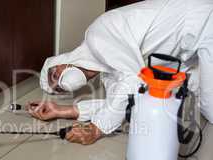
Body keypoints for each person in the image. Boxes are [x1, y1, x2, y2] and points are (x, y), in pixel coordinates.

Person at [26, 0, 213, 145]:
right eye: (58, 89)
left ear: (61, 61)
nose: (60, 83)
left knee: (209, 109)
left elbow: (133, 81)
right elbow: (121, 102)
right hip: (190, 48)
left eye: (53, 75)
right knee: (193, 93)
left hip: (202, 21)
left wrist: (96, 128)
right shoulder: (110, 72)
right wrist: (64, 111)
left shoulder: (96, 36)